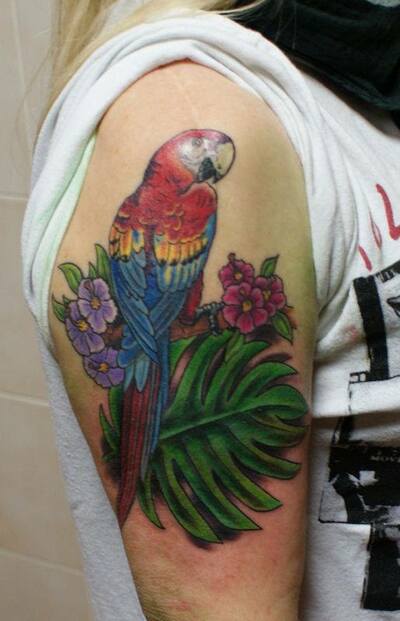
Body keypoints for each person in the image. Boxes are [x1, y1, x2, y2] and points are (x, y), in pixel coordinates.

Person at [21, 1, 400, 619]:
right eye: (199, 149)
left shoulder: (354, 70)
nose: (209, 157)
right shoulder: (193, 99)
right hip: (159, 320)